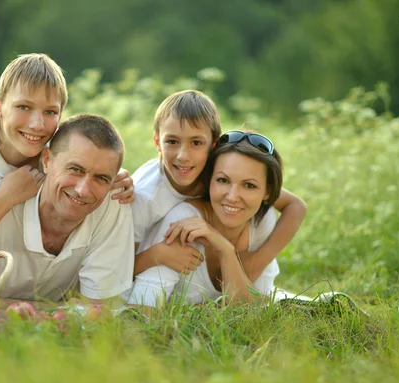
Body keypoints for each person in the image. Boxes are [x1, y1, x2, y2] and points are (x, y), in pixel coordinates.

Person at [0, 53, 133, 251]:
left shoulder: (52, 149)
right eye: (24, 107)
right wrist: (5, 197)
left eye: (50, 112)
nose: (37, 124)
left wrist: (118, 178)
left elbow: (88, 164)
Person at [131, 90, 307, 284]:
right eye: (172, 142)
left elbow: (296, 206)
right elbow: (117, 269)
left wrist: (259, 260)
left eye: (196, 142)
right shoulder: (144, 196)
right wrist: (156, 254)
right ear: (157, 142)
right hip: (143, 275)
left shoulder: (217, 174)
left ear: (213, 146)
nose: (183, 156)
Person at [0, 114, 134, 302]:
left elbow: (98, 311)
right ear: (46, 161)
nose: (83, 190)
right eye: (75, 169)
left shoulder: (114, 202)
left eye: (101, 178)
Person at [128, 130, 286, 307]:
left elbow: (258, 306)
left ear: (267, 192)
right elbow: (143, 306)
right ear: (209, 180)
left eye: (249, 185)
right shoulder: (183, 222)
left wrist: (226, 251)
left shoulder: (261, 220)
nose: (233, 197)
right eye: (223, 180)